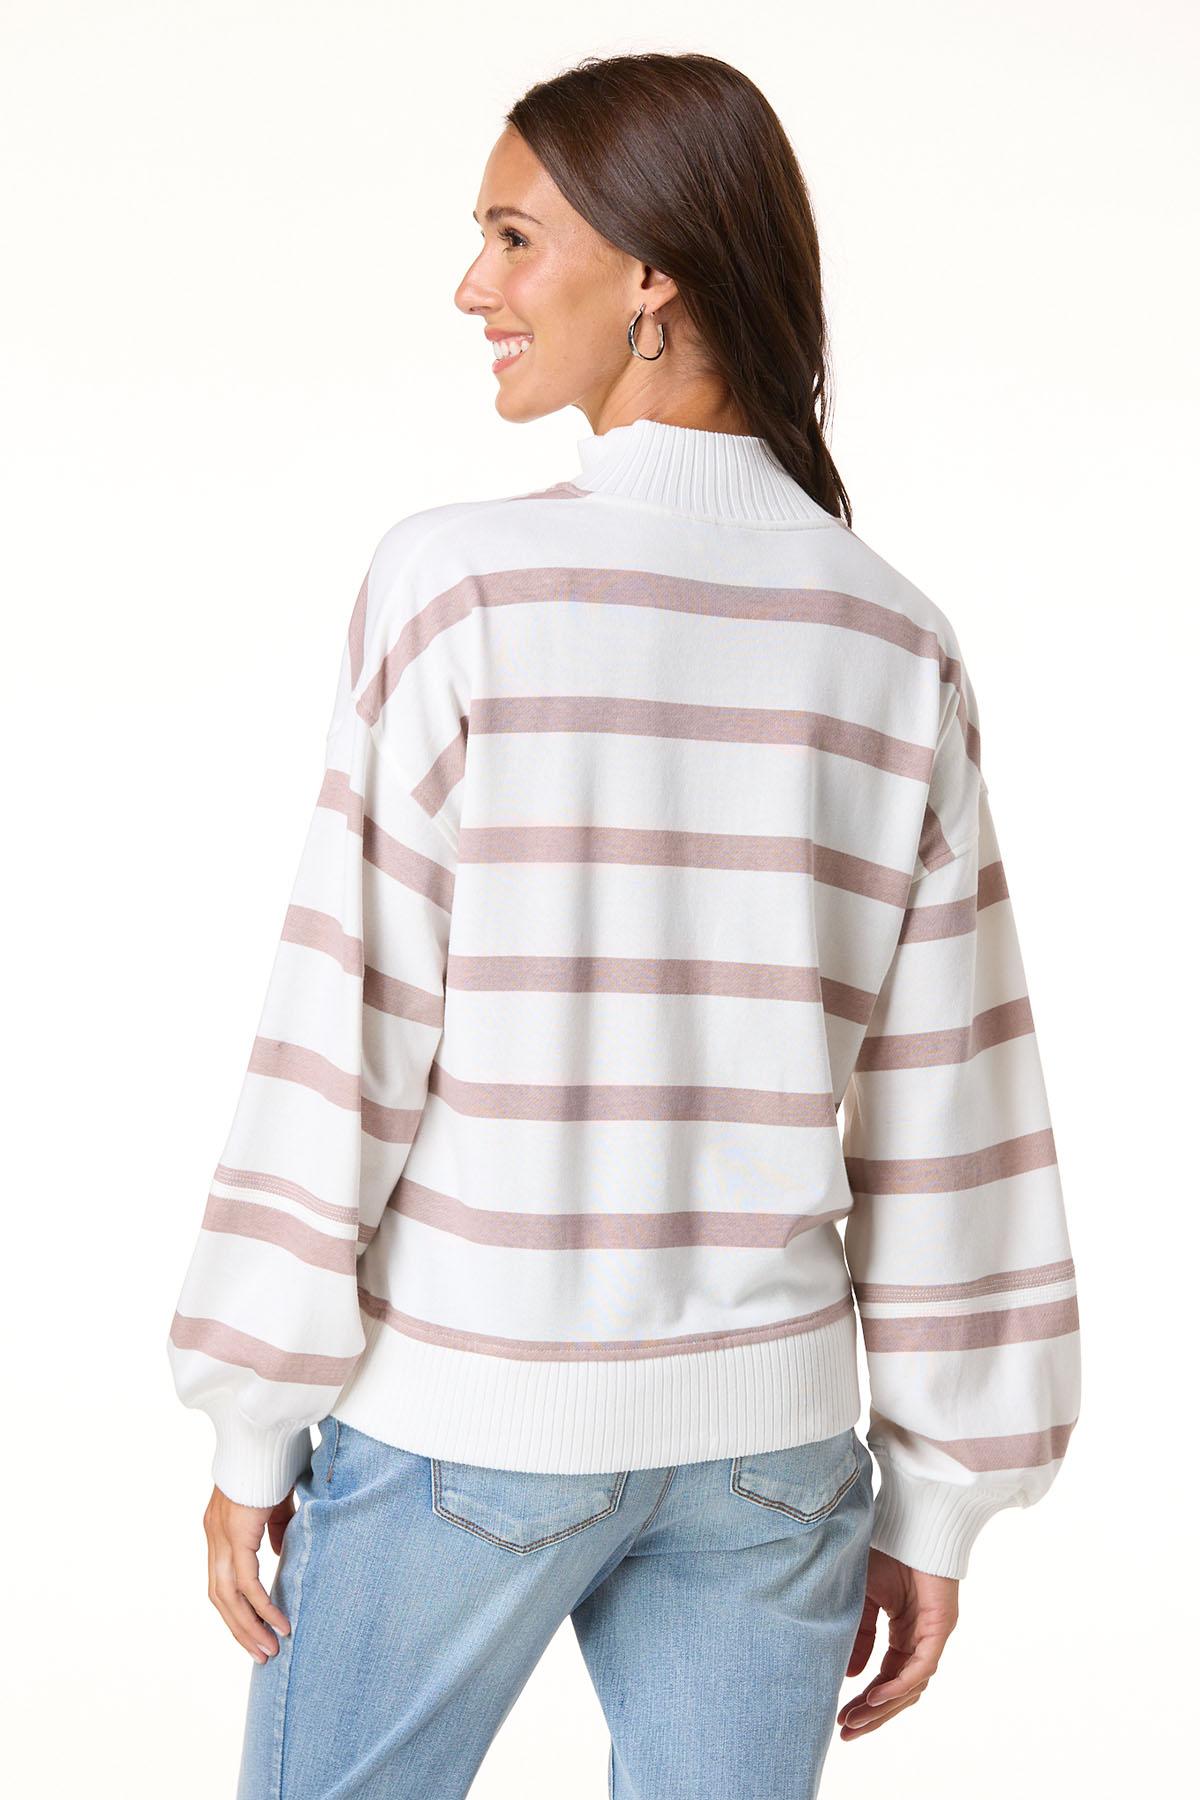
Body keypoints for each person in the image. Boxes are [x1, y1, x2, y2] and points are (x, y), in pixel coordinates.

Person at [166, 50, 1081, 1800]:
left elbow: (343, 1025)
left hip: (469, 1418)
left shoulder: (458, 585)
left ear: (653, 271)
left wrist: (253, 1409)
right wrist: (941, 1498)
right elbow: (959, 1104)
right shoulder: (894, 637)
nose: (473, 287)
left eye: (515, 238)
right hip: (774, 1463)